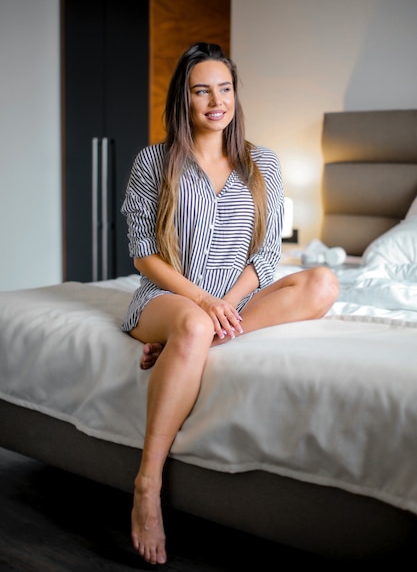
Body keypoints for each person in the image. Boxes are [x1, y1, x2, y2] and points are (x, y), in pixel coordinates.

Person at [121, 42, 339, 565]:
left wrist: (226, 304)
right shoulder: (156, 160)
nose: (216, 101)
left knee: (324, 282)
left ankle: (186, 345)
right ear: (185, 97)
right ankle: (147, 485)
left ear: (236, 95)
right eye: (202, 90)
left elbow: (266, 253)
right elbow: (142, 254)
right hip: (168, 295)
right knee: (193, 324)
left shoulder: (262, 163)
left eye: (225, 88)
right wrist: (200, 302)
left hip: (232, 301)